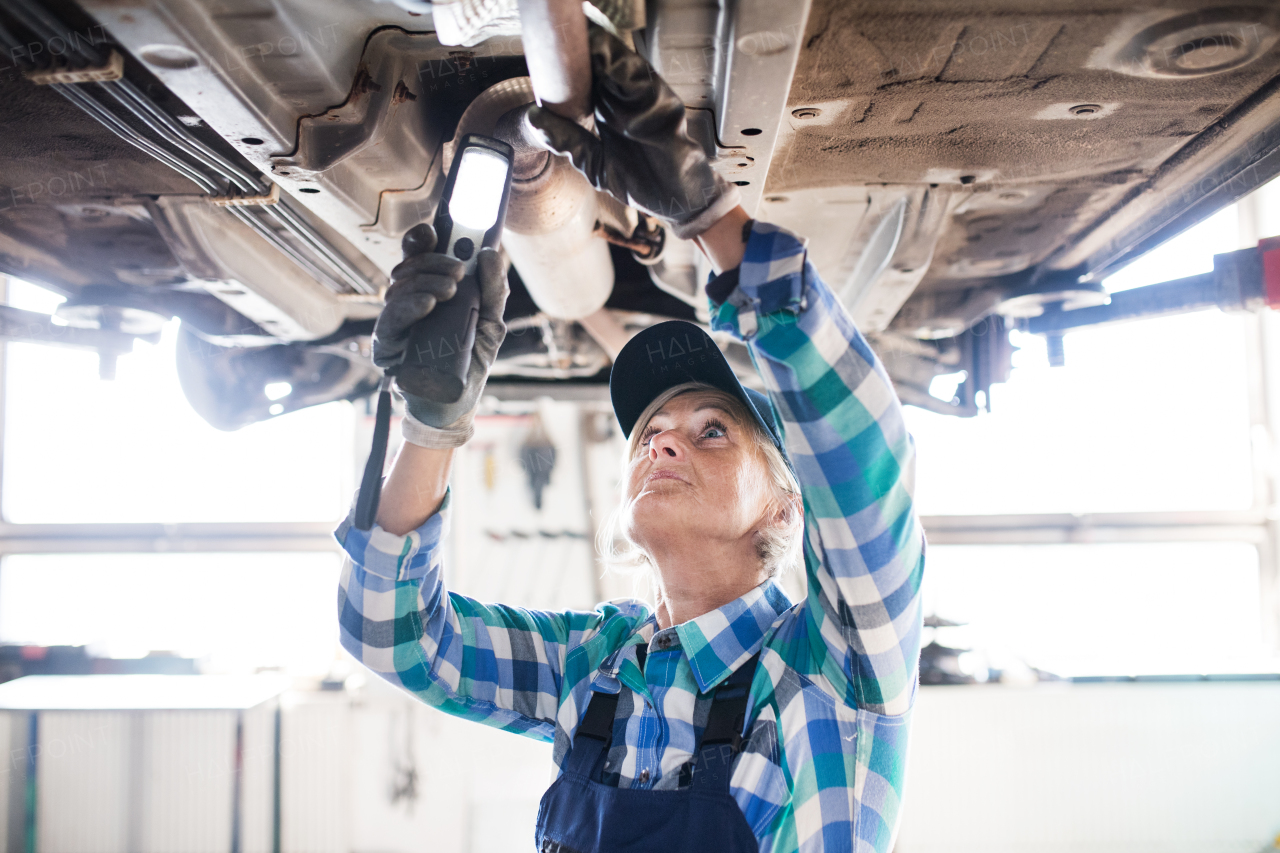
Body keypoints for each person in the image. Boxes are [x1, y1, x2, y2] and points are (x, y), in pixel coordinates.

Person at [337, 28, 924, 853]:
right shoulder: (597, 667)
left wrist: (709, 214)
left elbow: (863, 460)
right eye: (650, 432)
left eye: (712, 430)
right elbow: (391, 635)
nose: (663, 443)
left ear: (784, 502)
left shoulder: (832, 672)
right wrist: (432, 422)